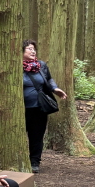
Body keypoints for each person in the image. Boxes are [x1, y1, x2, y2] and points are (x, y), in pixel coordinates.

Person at [22, 39, 67, 173]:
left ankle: (34, 161)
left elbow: (48, 79)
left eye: (33, 48)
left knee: (36, 135)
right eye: (29, 48)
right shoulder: (14, 67)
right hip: (21, 109)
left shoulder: (41, 65)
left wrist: (55, 89)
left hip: (39, 108)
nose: (33, 51)